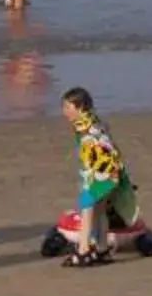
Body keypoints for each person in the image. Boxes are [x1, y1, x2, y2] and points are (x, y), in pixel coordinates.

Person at [59, 85, 137, 267]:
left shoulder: (84, 125)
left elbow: (93, 152)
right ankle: (102, 249)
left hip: (101, 172)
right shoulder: (96, 121)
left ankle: (83, 250)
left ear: (80, 108)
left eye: (68, 107)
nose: (64, 112)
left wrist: (89, 178)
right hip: (111, 170)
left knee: (87, 206)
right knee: (100, 210)